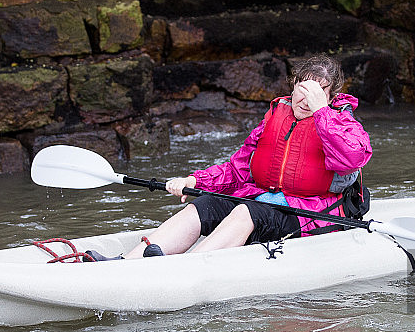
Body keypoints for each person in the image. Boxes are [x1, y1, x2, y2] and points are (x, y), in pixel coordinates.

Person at [85, 54, 373, 262]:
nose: (306, 99)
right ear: (294, 85)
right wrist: (194, 180)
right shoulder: (276, 115)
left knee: (247, 211)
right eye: (303, 88)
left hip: (312, 214)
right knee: (206, 204)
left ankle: (184, 270)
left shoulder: (341, 122)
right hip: (266, 200)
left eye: (317, 92)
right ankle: (128, 262)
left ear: (330, 96)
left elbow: (352, 158)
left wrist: (322, 112)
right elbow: (238, 171)